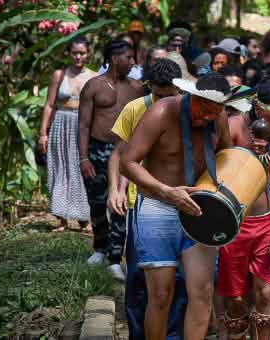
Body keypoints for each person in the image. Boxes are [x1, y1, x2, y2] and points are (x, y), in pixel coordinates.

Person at [119, 74, 234, 340]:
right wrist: (167, 192)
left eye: (213, 113)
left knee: (202, 293)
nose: (207, 118)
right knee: (160, 294)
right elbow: (128, 161)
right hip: (158, 207)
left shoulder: (218, 117)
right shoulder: (161, 111)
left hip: (199, 209)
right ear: (192, 96)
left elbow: (227, 158)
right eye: (203, 110)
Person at [108, 58, 188, 340]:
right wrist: (115, 190)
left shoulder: (188, 110)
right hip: (139, 203)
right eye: (159, 96)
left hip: (180, 203)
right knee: (138, 279)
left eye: (171, 96)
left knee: (177, 280)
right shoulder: (135, 109)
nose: (164, 102)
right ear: (148, 87)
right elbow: (119, 153)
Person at [217, 81, 270, 340]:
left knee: (266, 293)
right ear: (256, 107)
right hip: (233, 224)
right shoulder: (233, 128)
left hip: (267, 223)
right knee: (236, 300)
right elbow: (215, 175)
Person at [78, 39, 144, 278]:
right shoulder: (93, 86)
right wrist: (83, 158)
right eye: (129, 58)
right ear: (115, 58)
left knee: (121, 202)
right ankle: (100, 247)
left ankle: (115, 257)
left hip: (125, 150)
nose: (132, 63)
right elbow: (83, 125)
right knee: (97, 200)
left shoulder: (137, 87)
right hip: (97, 148)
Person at [38, 36, 97, 233]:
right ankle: (62, 218)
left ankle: (85, 219)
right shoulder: (59, 75)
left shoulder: (93, 77)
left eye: (82, 53)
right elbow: (49, 105)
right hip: (61, 124)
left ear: (88, 53)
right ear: (69, 53)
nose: (78, 56)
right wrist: (42, 133)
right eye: (74, 53)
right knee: (61, 167)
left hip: (83, 126)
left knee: (82, 169)